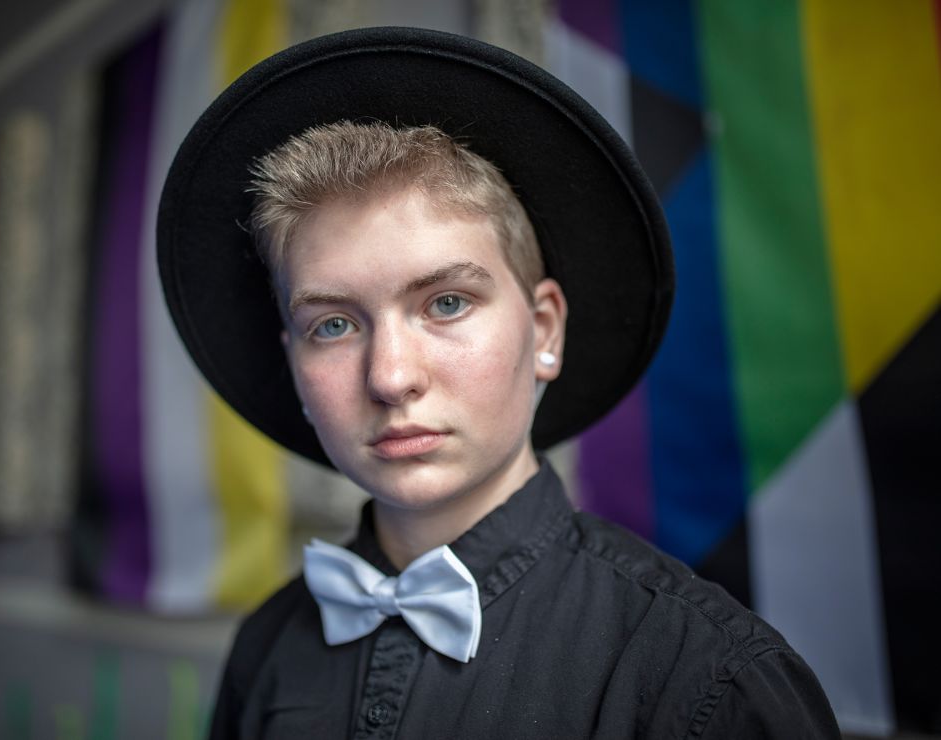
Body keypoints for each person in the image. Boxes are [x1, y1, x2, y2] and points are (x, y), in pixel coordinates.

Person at [158, 27, 839, 739]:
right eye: (333, 325)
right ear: (294, 360)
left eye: (446, 303)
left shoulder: (707, 680)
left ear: (543, 331)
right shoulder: (266, 650)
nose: (391, 377)